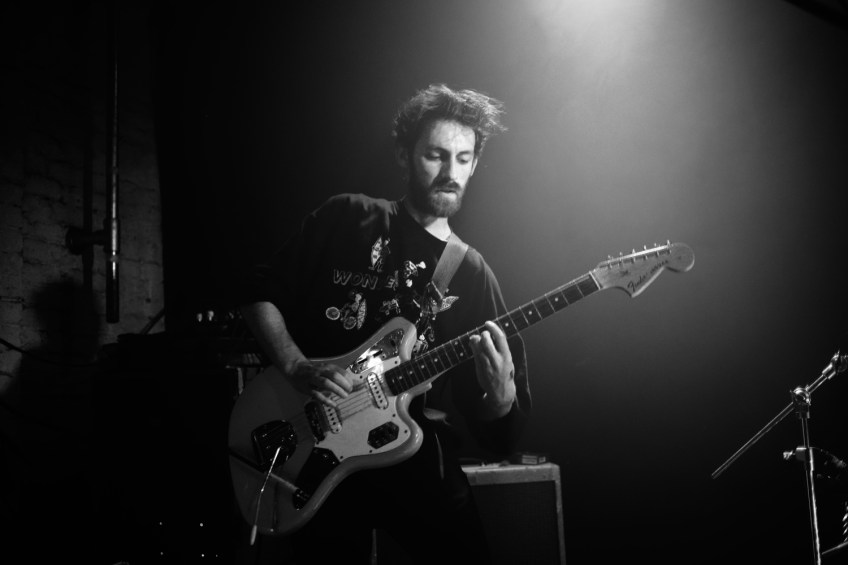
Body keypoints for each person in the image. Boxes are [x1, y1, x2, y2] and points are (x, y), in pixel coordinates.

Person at [236, 83, 532, 564]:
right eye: (435, 155)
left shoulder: (472, 272)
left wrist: (500, 398)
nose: (450, 172)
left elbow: (497, 435)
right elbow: (256, 292)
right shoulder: (347, 216)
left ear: (475, 164)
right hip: (314, 449)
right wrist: (294, 365)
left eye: (462, 158)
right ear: (403, 155)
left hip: (411, 452)